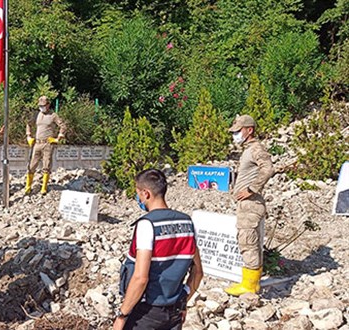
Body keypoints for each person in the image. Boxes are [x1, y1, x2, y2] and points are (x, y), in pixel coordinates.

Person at [114, 169, 203, 330]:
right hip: (174, 312)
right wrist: (183, 303)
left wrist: (122, 316)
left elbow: (141, 278)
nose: (138, 198)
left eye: (138, 193)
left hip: (147, 313)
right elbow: (198, 272)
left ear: (146, 193)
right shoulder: (187, 223)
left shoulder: (147, 225)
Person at [225, 114, 274, 296]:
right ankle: (252, 282)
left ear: (249, 130)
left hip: (251, 204)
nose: (235, 135)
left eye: (238, 131)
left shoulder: (255, 149)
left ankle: (249, 286)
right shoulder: (249, 150)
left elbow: (268, 168)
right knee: (249, 240)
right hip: (248, 204)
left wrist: (251, 189)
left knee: (248, 242)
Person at [25, 96, 67, 195]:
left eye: (43, 105)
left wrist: (58, 138)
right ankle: (28, 186)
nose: (41, 107)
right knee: (31, 166)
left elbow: (63, 126)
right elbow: (28, 124)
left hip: (48, 143)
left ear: (48, 105)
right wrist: (28, 136)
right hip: (37, 143)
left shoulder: (53, 115)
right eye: (40, 106)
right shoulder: (36, 115)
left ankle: (44, 187)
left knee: (46, 165)